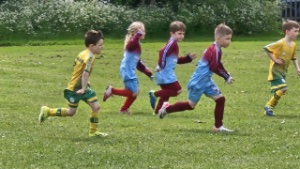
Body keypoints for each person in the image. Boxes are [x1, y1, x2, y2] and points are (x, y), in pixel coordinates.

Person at [157, 23, 234, 132]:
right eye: (227, 39)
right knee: (190, 105)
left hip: (206, 81)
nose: (229, 41)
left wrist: (226, 75)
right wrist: (226, 76)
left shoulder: (216, 48)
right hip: (198, 82)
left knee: (220, 99)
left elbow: (217, 64)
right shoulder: (215, 49)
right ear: (218, 38)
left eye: (230, 39)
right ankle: (167, 109)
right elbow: (215, 66)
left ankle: (218, 127)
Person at [38, 30, 108, 138]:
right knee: (71, 112)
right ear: (92, 46)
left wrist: (84, 83)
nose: (102, 47)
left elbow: (78, 70)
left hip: (80, 86)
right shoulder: (90, 57)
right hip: (75, 88)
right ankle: (48, 111)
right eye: (100, 45)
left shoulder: (83, 53)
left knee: (96, 107)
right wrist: (83, 88)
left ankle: (93, 132)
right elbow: (85, 73)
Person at [103, 21, 153, 115]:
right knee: (134, 92)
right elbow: (130, 46)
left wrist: (147, 72)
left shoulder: (137, 44)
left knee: (134, 92)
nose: (144, 33)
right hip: (127, 70)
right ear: (136, 33)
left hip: (128, 70)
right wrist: (137, 35)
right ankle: (112, 90)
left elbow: (138, 62)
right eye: (142, 31)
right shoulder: (132, 43)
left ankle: (124, 110)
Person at [148, 21, 196, 114]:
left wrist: (188, 58)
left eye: (183, 34)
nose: (181, 36)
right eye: (179, 33)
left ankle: (158, 111)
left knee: (166, 93)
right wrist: (161, 66)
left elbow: (175, 60)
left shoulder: (174, 43)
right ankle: (154, 94)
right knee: (177, 90)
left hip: (164, 71)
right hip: (164, 72)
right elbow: (162, 52)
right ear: (172, 33)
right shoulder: (172, 43)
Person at [263, 20, 300, 116]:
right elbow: (266, 48)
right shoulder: (280, 43)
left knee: (282, 90)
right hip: (275, 70)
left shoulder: (293, 45)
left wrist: (298, 69)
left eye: (298, 31)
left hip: (283, 71)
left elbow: (294, 58)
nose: (297, 33)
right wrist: (275, 60)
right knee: (284, 88)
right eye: (295, 31)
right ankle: (269, 106)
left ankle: (269, 107)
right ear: (287, 32)